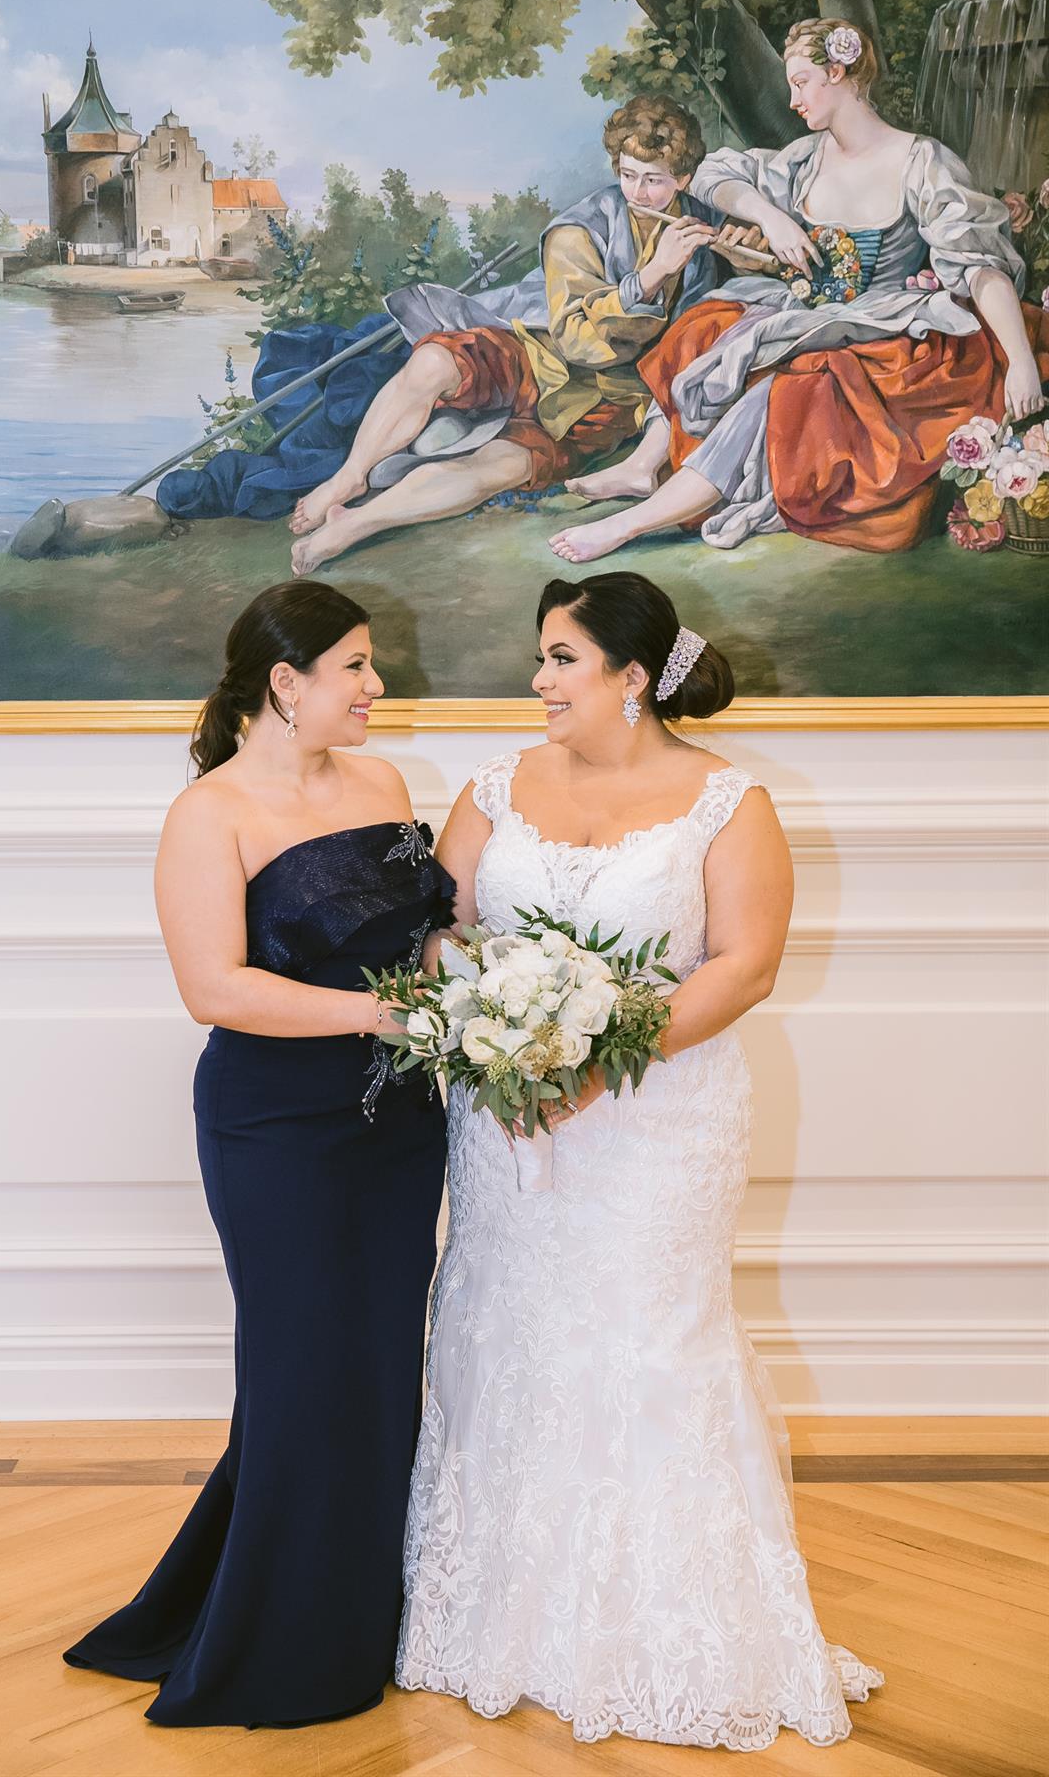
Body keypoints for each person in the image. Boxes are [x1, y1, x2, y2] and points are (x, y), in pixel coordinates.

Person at [396, 570, 884, 1748]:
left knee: (650, 1338)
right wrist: (496, 1026)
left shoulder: (729, 802)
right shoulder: (493, 786)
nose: (539, 680)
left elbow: (744, 963)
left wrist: (596, 1061)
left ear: (630, 676)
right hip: (509, 1121)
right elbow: (440, 930)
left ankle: (667, 1633)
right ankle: (498, 1620)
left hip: (659, 1124)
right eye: (541, 656)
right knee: (505, 1327)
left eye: (560, 658)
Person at [63, 580, 454, 1728]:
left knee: (377, 1371)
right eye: (356, 667)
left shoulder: (384, 785)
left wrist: (476, 983)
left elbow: (420, 934)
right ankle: (276, 1643)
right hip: (277, 1127)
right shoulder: (210, 814)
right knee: (298, 1376)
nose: (376, 687)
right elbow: (215, 990)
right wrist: (384, 1015)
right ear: (286, 683)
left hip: (400, 1125)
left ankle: (358, 1614)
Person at [548, 16, 1047, 563]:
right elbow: (712, 174)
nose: (793, 100)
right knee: (706, 326)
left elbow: (980, 269)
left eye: (801, 82)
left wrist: (1020, 361)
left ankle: (631, 524)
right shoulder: (805, 160)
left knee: (786, 389)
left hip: (885, 331)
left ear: (839, 74)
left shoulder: (920, 161)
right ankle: (645, 465)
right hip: (810, 318)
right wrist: (773, 218)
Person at [288, 96, 768, 574]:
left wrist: (745, 253)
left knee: (505, 467)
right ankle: (350, 477)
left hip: (611, 397)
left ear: (682, 179)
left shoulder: (702, 219)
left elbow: (725, 300)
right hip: (538, 349)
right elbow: (576, 339)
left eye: (654, 180)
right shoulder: (578, 230)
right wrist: (649, 277)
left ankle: (356, 523)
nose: (638, 192)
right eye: (628, 175)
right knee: (435, 360)